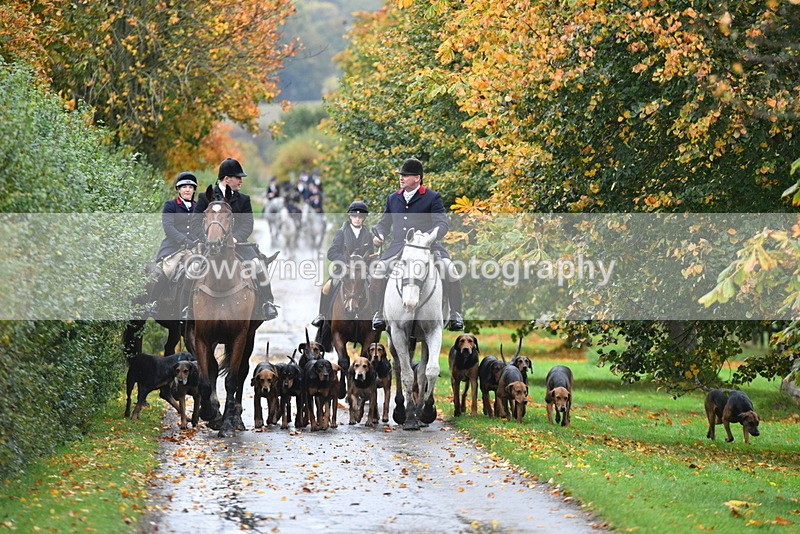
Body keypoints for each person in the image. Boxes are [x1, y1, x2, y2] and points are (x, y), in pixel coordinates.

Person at [370, 157, 464, 331]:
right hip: (399, 248)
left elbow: (442, 223)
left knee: (450, 269)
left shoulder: (432, 197)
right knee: (379, 270)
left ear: (417, 178)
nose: (401, 178)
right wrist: (380, 235)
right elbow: (384, 223)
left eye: (406, 175)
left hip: (427, 247)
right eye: (401, 175)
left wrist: (427, 237)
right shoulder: (393, 198)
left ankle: (455, 314)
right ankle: (377, 313)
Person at [188, 157, 278, 320]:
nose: (241, 181)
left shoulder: (244, 199)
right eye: (238, 177)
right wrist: (208, 238)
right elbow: (195, 224)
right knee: (192, 268)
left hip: (238, 245)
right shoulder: (205, 197)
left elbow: (247, 224)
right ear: (227, 179)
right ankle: (187, 307)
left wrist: (235, 238)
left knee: (258, 264)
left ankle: (267, 303)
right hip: (209, 245)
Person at [311, 201, 373, 327]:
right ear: (350, 217)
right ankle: (322, 315)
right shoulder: (341, 232)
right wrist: (346, 262)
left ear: (364, 218)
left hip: (361, 271)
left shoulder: (368, 234)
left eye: (360, 217)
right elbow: (331, 253)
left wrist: (368, 264)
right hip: (343, 269)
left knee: (376, 286)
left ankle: (377, 316)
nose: (357, 219)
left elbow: (371, 253)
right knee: (327, 287)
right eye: (354, 216)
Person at [147, 171, 199, 314]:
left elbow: (198, 227)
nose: (187, 189)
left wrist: (196, 240)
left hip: (192, 247)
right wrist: (183, 240)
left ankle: (189, 306)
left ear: (194, 190)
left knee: (198, 269)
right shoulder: (171, 205)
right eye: (184, 187)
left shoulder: (197, 207)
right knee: (169, 270)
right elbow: (168, 227)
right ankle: (153, 302)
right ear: (178, 189)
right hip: (174, 247)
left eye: (190, 187)